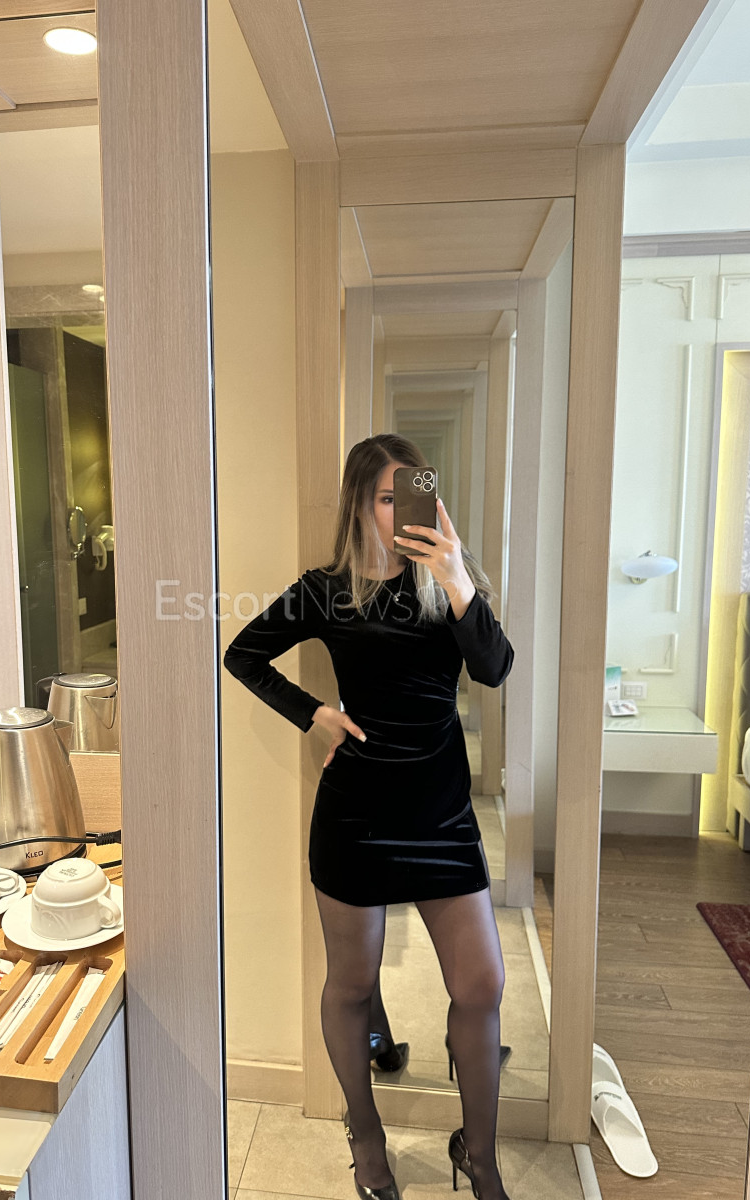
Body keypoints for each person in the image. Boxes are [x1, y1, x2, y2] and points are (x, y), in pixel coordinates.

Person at [223, 433, 515, 1200]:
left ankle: (478, 1154)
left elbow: (494, 668)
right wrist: (313, 712)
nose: (403, 511)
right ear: (358, 504)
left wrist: (456, 577)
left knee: (481, 986)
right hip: (356, 817)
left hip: (443, 816)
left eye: (414, 494)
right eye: (388, 497)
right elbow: (243, 654)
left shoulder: (449, 581)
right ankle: (366, 1134)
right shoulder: (326, 591)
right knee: (351, 986)